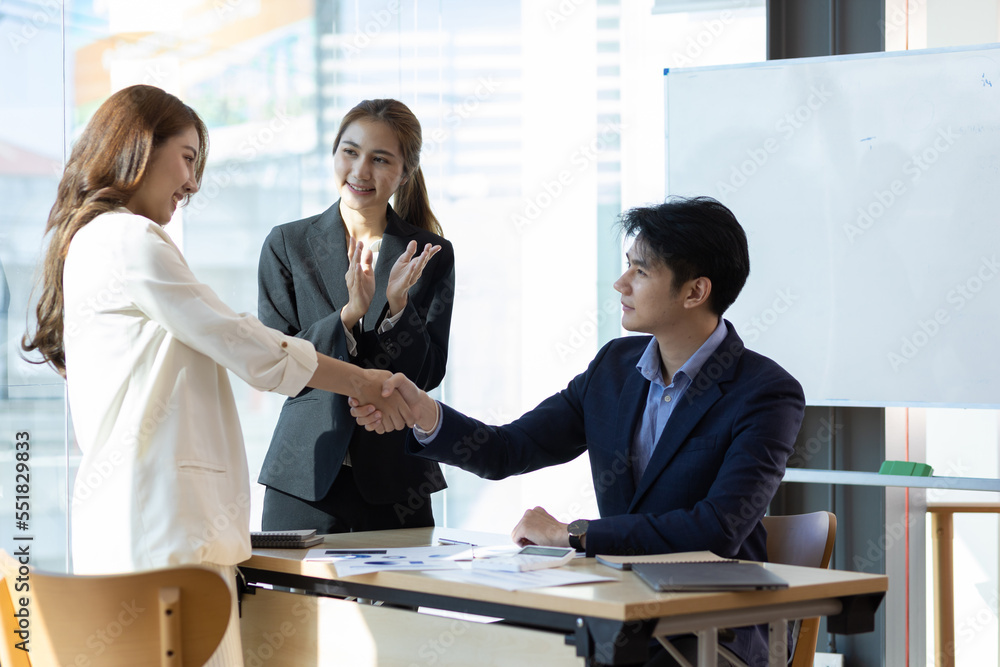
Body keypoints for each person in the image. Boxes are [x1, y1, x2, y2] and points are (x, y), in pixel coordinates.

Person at [20, 84, 411, 667]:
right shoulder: (130, 239)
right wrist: (364, 382)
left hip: (137, 528)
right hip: (164, 536)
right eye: (187, 158)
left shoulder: (92, 242)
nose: (194, 183)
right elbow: (244, 342)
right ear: (140, 148)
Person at [354, 196, 805, 666]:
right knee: (485, 649)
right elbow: (511, 449)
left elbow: (717, 530)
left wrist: (574, 534)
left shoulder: (765, 392)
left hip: (712, 629)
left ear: (695, 292)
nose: (621, 282)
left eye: (641, 272)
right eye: (627, 266)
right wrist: (427, 415)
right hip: (615, 611)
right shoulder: (615, 367)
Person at [256, 99, 454, 534]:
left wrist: (398, 308)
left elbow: (430, 372)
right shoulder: (286, 244)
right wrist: (348, 315)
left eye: (380, 159)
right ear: (334, 154)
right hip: (304, 477)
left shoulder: (427, 252)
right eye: (350, 152)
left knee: (395, 605)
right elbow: (275, 359)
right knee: (292, 606)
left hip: (396, 483)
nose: (361, 170)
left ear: (404, 173)